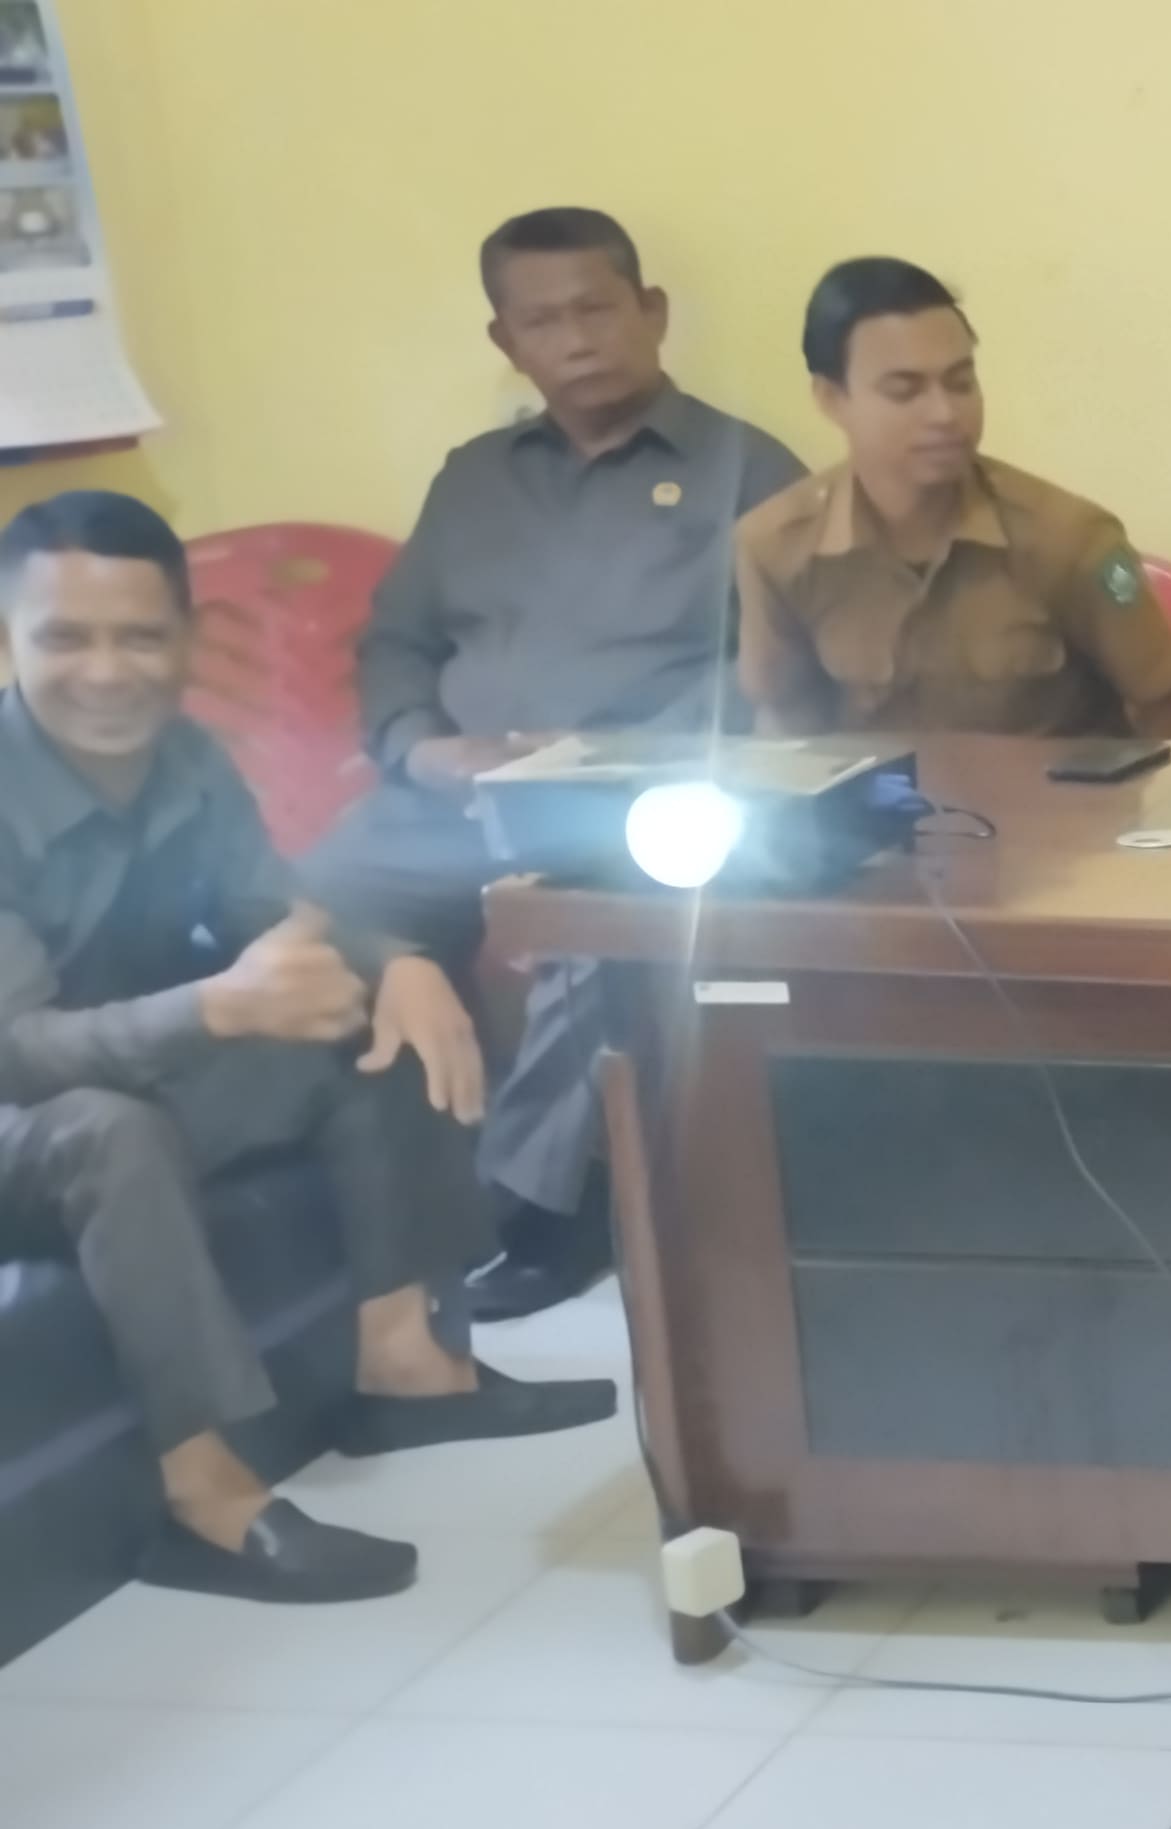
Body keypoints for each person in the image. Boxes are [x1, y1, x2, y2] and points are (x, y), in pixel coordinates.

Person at [0, 493, 616, 1603]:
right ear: (10, 641)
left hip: (130, 1072)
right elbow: (17, 1058)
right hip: (36, 1113)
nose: (106, 672)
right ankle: (203, 1494)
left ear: (188, 639)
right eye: (65, 638)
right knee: (108, 1129)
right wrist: (214, 1011)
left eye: (139, 637)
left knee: (369, 1012)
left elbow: (271, 915)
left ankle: (404, 1360)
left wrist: (395, 962)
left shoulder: (185, 756)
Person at [306, 205, 805, 1321]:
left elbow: (779, 671)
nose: (577, 340)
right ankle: (362, 1189)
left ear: (651, 312)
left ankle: (537, 1212)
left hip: (634, 806)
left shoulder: (748, 470)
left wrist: (618, 762)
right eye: (544, 321)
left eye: (597, 309)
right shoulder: (473, 478)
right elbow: (395, 641)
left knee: (594, 925)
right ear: (506, 342)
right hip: (451, 801)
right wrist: (418, 747)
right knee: (297, 901)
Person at [732, 257, 1171, 740]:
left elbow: (1163, 701)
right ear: (831, 398)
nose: (945, 413)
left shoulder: (1075, 540)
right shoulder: (775, 547)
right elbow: (785, 720)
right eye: (904, 391)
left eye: (961, 383)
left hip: (1045, 790)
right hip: (871, 789)